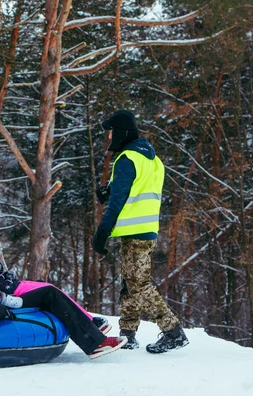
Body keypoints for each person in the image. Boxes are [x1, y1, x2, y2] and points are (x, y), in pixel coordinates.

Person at [0, 215, 127, 359]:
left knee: (48, 287)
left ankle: (89, 322)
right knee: (50, 294)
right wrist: (6, 299)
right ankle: (95, 344)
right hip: (8, 296)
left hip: (11, 287)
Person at [93, 109, 189, 354]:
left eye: (113, 132)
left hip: (134, 231)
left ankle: (173, 331)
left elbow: (118, 202)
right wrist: (111, 190)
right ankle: (128, 333)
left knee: (137, 284)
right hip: (147, 229)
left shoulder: (127, 158)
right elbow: (135, 190)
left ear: (122, 132)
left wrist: (102, 231)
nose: (111, 137)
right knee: (131, 281)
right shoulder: (152, 159)